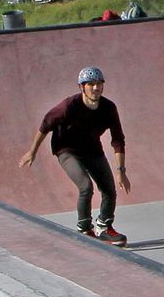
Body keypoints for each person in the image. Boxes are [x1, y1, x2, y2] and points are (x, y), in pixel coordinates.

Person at [19, 66, 130, 245]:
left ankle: (104, 226)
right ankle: (85, 229)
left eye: (99, 84)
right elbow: (45, 125)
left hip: (92, 149)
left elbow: (118, 139)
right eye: (91, 84)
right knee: (85, 186)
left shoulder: (108, 108)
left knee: (109, 189)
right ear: (82, 87)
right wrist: (32, 152)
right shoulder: (68, 106)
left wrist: (121, 170)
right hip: (66, 150)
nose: (96, 88)